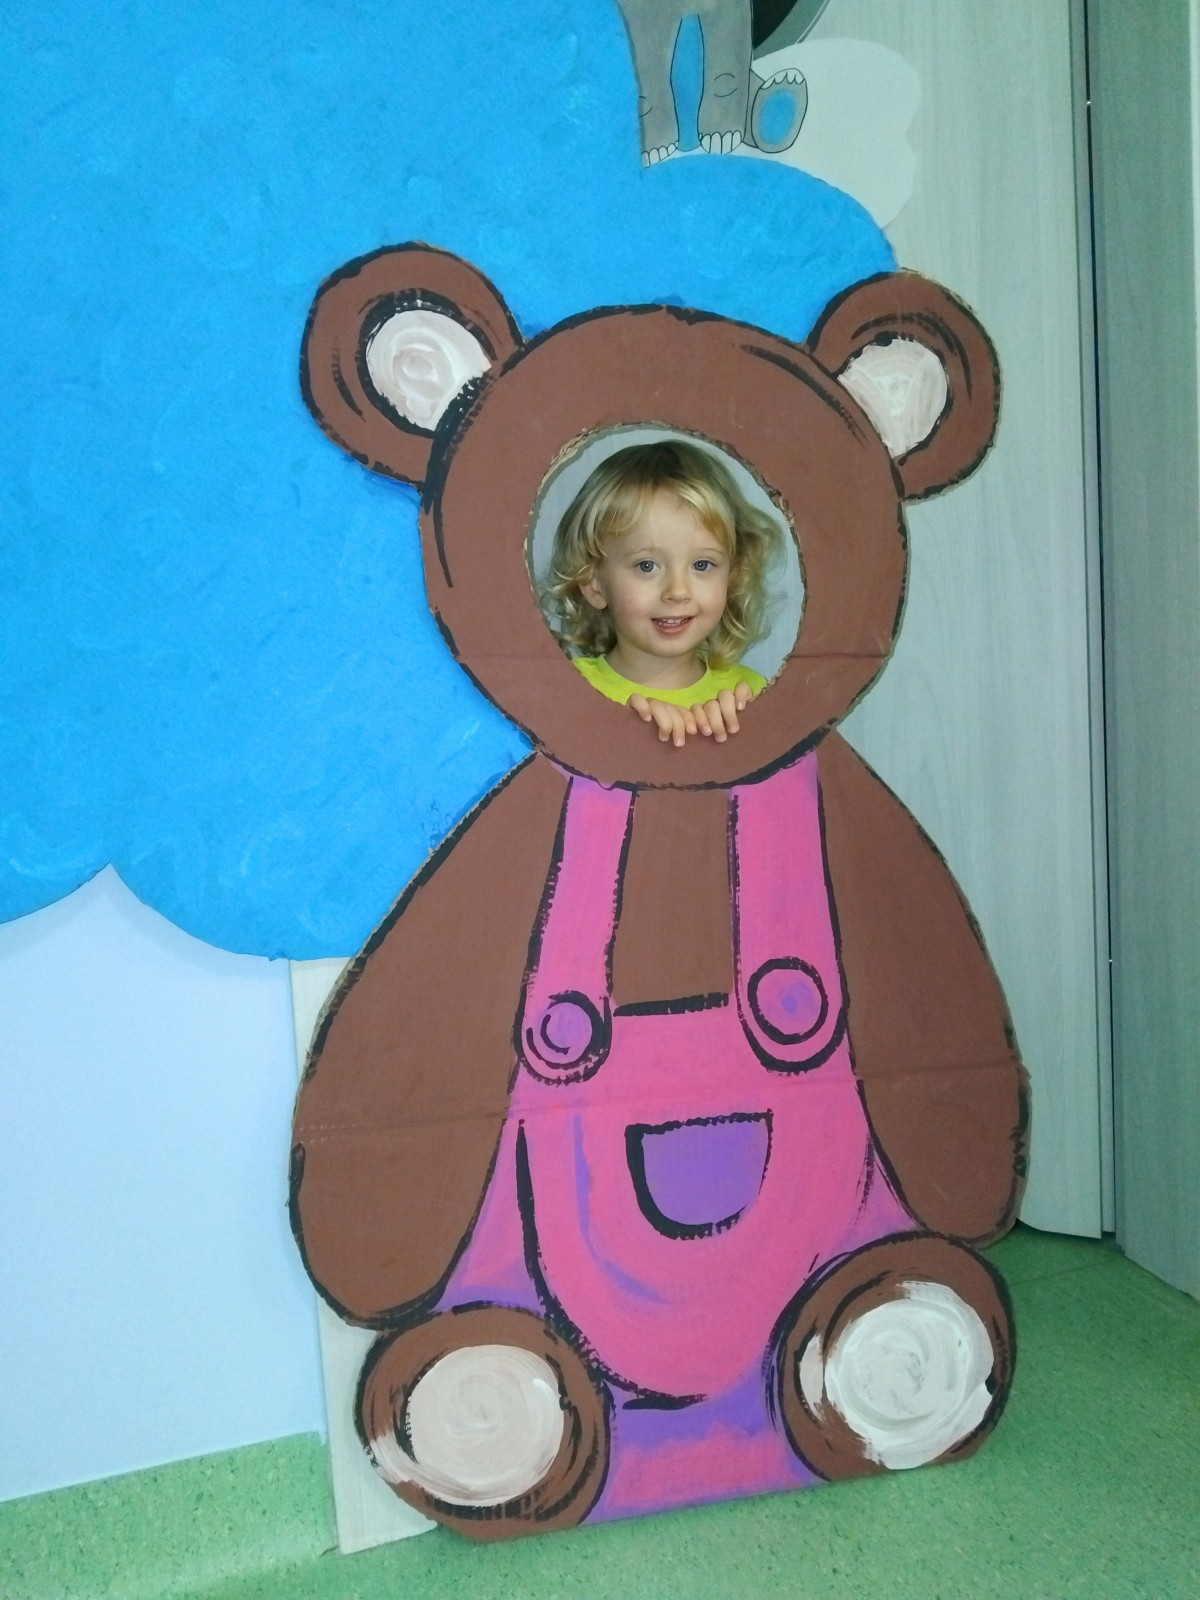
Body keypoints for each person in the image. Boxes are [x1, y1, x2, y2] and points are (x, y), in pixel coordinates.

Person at [543, 439, 780, 746]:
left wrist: (740, 738)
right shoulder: (569, 693)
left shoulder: (747, 696)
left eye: (702, 564)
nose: (677, 592)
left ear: (732, 575)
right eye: (647, 566)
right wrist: (624, 731)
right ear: (593, 583)